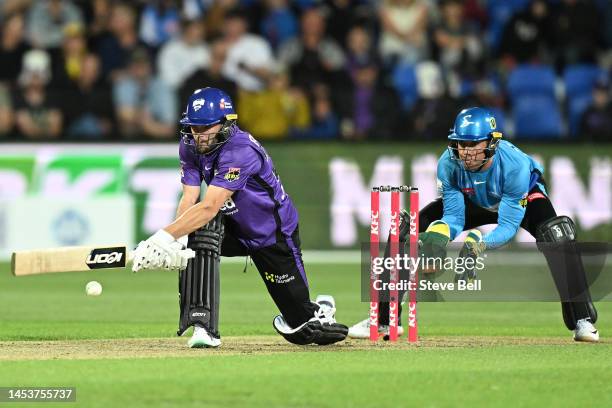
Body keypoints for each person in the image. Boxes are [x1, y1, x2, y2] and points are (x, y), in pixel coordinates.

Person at [348, 107, 600, 342]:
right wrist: (438, 237)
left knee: (557, 235)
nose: (465, 152)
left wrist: (480, 245)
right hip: (474, 200)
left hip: (522, 199)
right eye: (461, 143)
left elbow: (508, 226)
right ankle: (384, 320)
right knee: (406, 228)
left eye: (472, 145)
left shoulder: (515, 166)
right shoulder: (448, 163)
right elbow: (455, 217)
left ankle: (582, 319)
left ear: (491, 143)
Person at [131, 87, 348, 348]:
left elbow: (210, 206)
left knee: (301, 328)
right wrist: (175, 242)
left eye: (204, 128)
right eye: (192, 128)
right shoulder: (189, 145)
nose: (197, 136)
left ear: (225, 123)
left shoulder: (240, 150)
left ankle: (320, 308)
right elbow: (190, 199)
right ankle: (204, 327)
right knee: (199, 235)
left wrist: (162, 236)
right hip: (234, 227)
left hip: (272, 233)